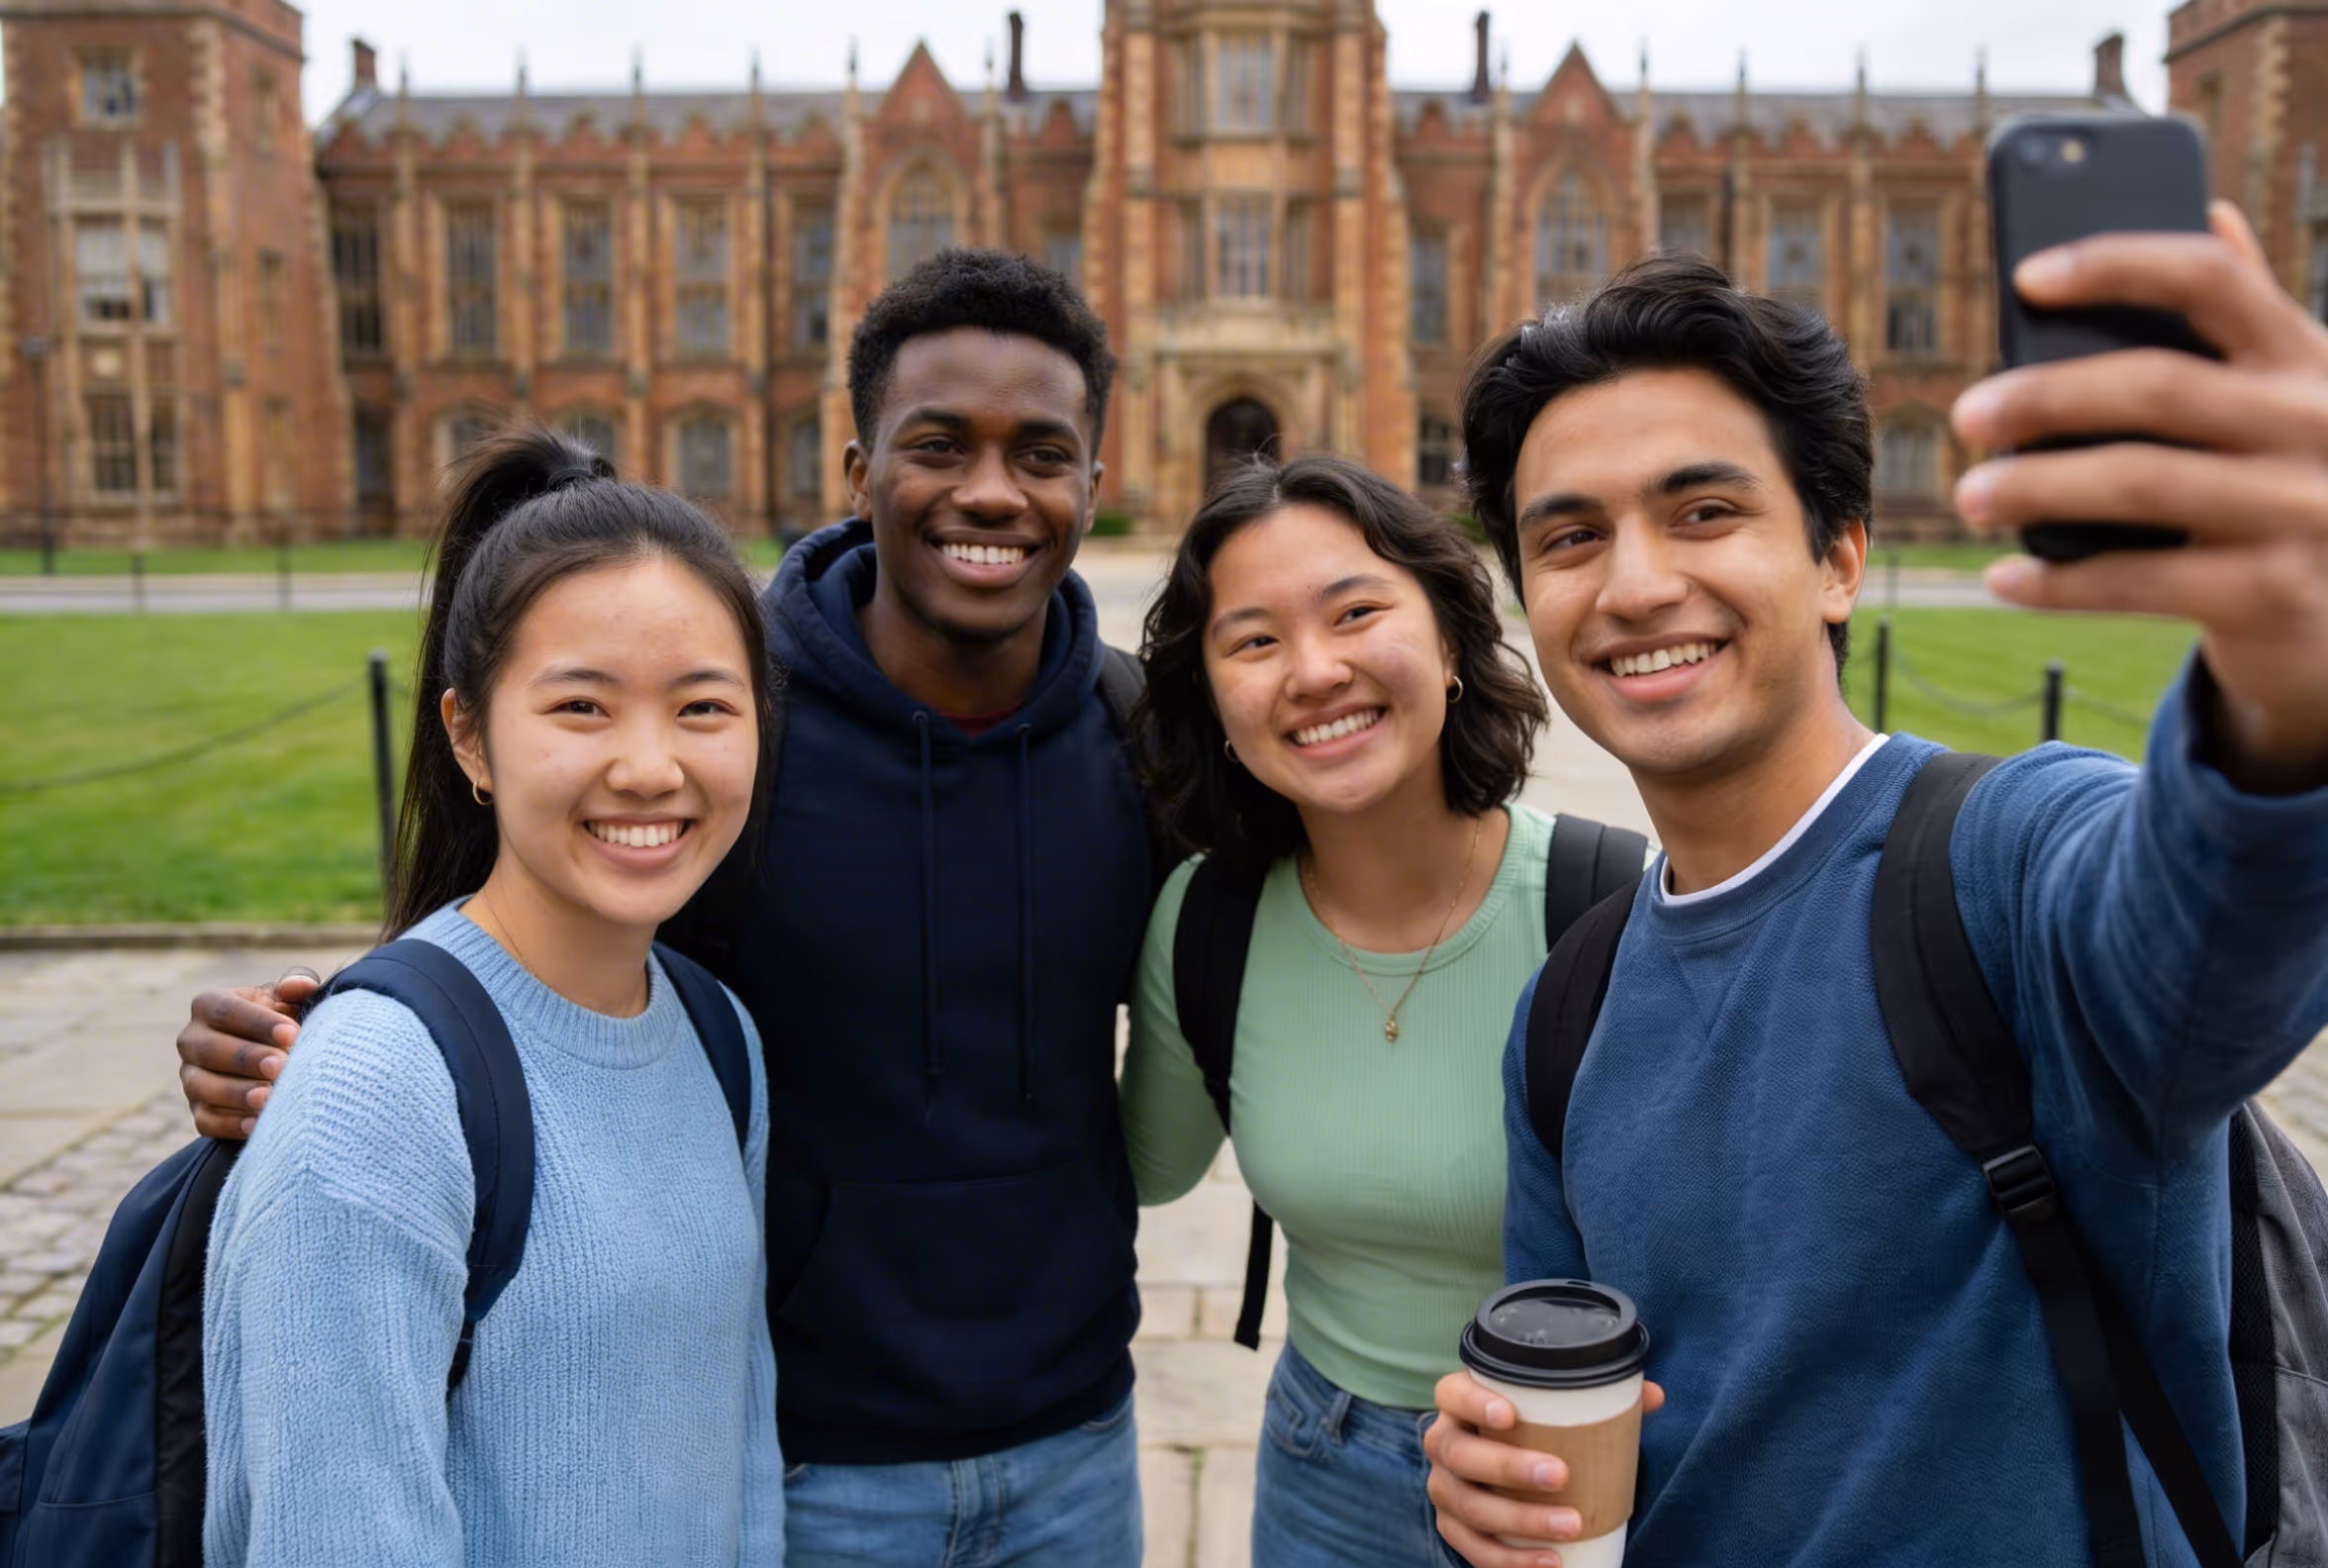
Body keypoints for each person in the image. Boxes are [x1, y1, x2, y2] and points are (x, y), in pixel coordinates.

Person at [176, 250, 1151, 1565]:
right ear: (858, 474)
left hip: (1076, 1441)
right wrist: (329, 1036)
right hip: (812, 1453)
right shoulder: (736, 732)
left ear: (1093, 481)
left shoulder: (1138, 734)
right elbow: (535, 958)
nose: (990, 489)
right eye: (938, 444)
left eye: (1041, 452)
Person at [1420, 226, 2328, 1567]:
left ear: (1840, 558)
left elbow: (2203, 945)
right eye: (1569, 537)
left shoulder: (2004, 858)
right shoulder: (1569, 1010)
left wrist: (2287, 694)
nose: (1634, 584)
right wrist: (1489, 1507)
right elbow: (1575, 1416)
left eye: (1704, 512)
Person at [202, 428, 784, 1566]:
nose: (652, 766)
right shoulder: (376, 1094)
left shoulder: (720, 1038)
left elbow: (740, 1448)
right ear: (469, 733)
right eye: (581, 708)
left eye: (704, 707)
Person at [1121, 453, 1576, 1565]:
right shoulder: (1203, 922)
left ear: (1455, 644)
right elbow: (1146, 1169)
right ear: (1217, 703)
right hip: (1323, 1462)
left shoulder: (1605, 912)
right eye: (1254, 640)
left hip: (1567, 1472)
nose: (1314, 671)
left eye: (1356, 611)